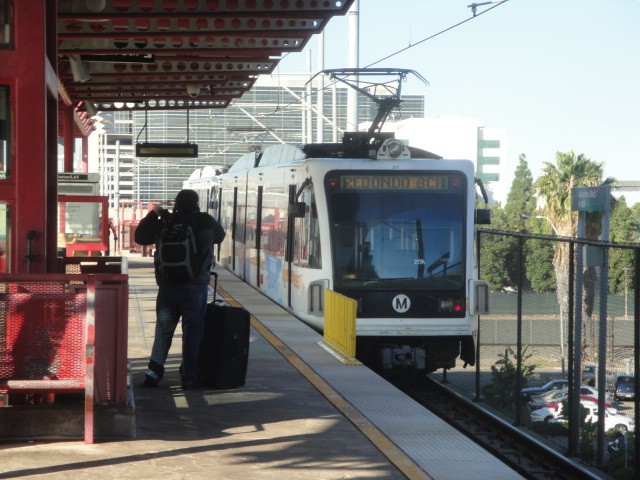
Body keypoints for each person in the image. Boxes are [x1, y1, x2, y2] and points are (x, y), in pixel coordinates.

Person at [134, 189, 225, 389]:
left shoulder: (166, 222)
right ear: (197, 203)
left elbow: (140, 237)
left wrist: (154, 214)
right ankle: (189, 377)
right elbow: (220, 236)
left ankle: (153, 374)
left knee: (163, 331)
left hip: (167, 287)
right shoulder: (205, 221)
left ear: (176, 203)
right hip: (195, 288)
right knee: (193, 333)